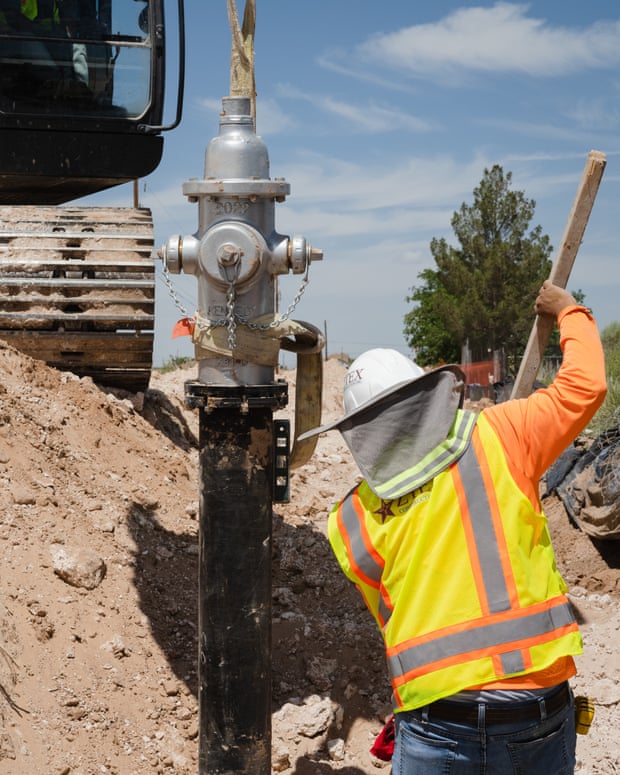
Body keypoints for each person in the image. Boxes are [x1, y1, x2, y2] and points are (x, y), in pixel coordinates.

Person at [299, 280, 607, 774]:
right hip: (533, 712)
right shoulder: (502, 436)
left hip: (433, 722)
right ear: (429, 395)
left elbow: (400, 612)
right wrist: (568, 311)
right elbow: (586, 385)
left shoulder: (348, 521)